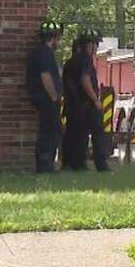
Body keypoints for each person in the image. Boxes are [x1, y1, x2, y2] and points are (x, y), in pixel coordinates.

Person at [62, 29, 110, 172]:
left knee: (75, 135)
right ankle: (100, 165)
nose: (96, 48)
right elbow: (85, 79)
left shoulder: (71, 61)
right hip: (86, 105)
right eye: (95, 44)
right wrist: (95, 99)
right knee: (97, 134)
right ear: (90, 45)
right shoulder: (85, 60)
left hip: (73, 105)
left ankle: (73, 163)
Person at [27, 20, 64, 173]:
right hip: (47, 99)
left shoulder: (38, 52)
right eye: (58, 38)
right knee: (50, 131)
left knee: (48, 129)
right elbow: (45, 76)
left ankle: (45, 163)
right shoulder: (45, 53)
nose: (59, 41)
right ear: (52, 37)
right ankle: (45, 165)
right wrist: (54, 96)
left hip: (42, 97)